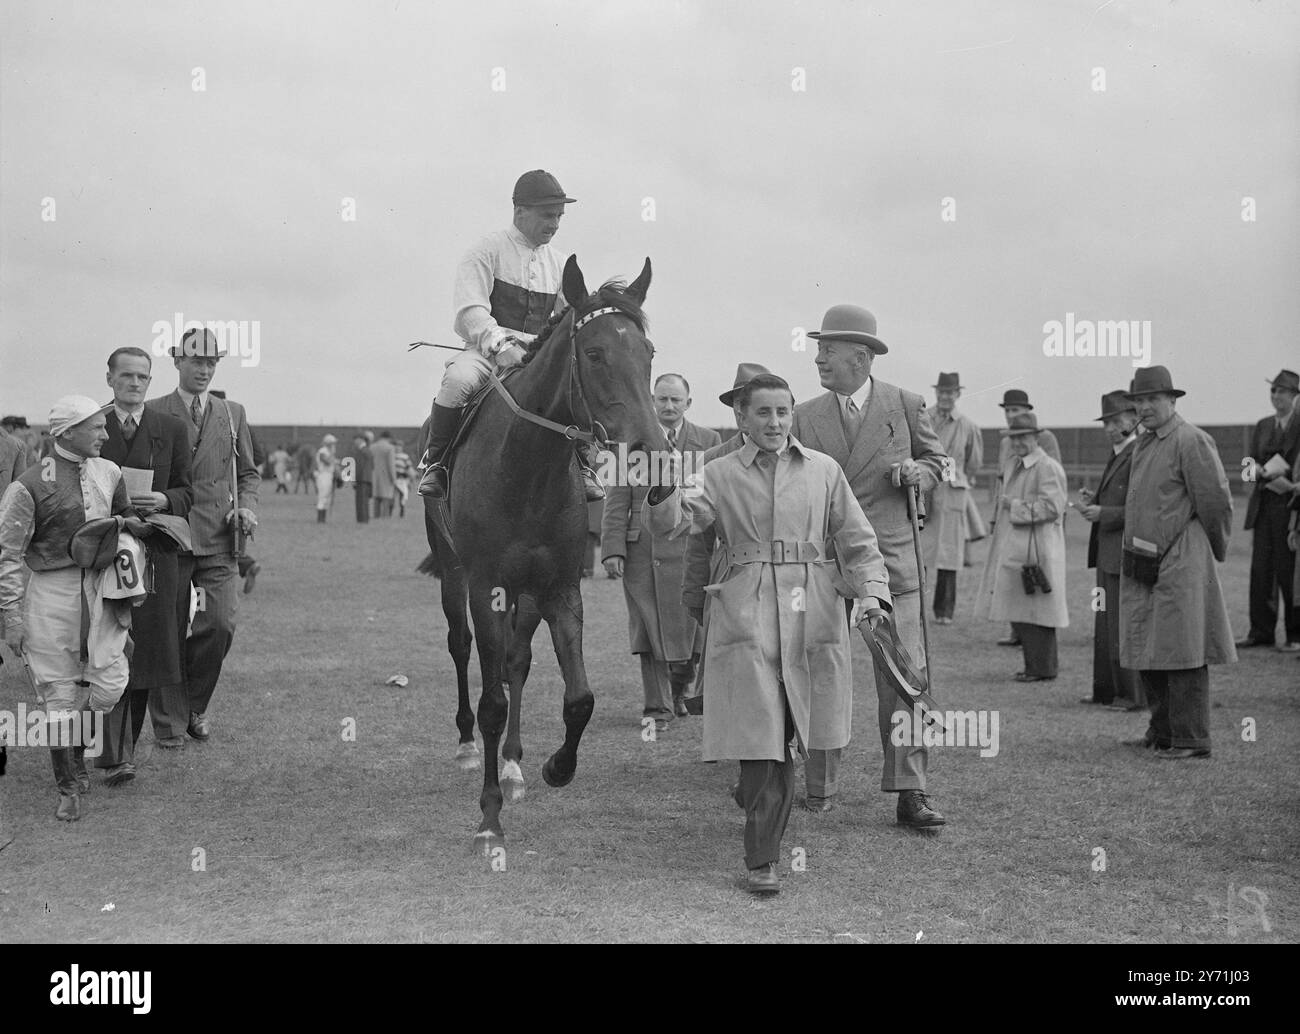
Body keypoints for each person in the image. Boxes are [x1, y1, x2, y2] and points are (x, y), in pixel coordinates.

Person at [643, 374, 891, 894]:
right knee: (763, 737)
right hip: (746, 611)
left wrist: (873, 594)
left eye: (783, 412)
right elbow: (673, 523)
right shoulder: (716, 473)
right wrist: (663, 487)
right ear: (741, 419)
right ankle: (763, 858)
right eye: (763, 413)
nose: (775, 423)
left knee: (800, 725)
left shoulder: (824, 471)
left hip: (814, 610)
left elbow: (858, 540)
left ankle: (768, 796)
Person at [789, 304, 948, 827]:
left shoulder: (905, 404)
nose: (818, 358)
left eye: (827, 350)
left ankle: (912, 789)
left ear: (860, 357)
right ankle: (815, 782)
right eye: (818, 349)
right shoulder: (803, 415)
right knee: (811, 671)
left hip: (892, 565)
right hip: (823, 565)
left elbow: (936, 461)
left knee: (905, 679)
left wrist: (916, 473)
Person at [416, 169, 604, 503]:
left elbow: (566, 320)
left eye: (559, 216)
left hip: (536, 359)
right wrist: (500, 345)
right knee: (457, 380)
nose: (555, 224)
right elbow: (469, 310)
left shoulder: (561, 264)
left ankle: (584, 465)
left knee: (575, 389)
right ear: (520, 212)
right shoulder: (485, 251)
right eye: (548, 215)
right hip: (486, 354)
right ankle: (437, 462)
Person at [0, 396, 146, 820]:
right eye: (96, 427)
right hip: (51, 592)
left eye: (104, 426)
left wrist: (134, 525)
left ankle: (75, 746)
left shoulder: (110, 471)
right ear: (67, 433)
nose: (105, 433)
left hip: (101, 588)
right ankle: (67, 787)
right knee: (58, 693)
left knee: (111, 684)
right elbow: (7, 555)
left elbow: (125, 516)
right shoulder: (26, 485)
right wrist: (11, 618)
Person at [146, 328, 259, 746]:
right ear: (177, 361)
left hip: (218, 540)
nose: (205, 369)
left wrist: (246, 504)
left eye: (212, 362)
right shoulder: (153, 410)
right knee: (169, 631)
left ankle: (193, 705)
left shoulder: (233, 413)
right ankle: (169, 726)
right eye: (197, 361)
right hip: (168, 537)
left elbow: (248, 473)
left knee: (219, 624)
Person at [1119, 366, 1236, 758]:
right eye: (1139, 400)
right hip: (1144, 560)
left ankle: (1190, 738)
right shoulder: (1145, 443)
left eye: (1153, 399)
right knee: (1150, 646)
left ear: (1172, 400)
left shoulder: (1191, 440)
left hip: (1182, 559)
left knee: (1184, 649)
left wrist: (1207, 552)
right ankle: (1163, 729)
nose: (1145, 407)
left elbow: (1216, 503)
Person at [94, 347, 193, 786]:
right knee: (104, 648)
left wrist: (167, 500)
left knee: (145, 653)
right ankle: (111, 753)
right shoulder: (91, 426)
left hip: (155, 556)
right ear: (111, 378)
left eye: (143, 377)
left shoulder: (170, 428)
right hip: (103, 554)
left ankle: (122, 752)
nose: (135, 384)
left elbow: (189, 491)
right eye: (127, 376)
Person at [601, 374, 720, 729]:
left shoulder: (709, 440)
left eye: (676, 400)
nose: (668, 406)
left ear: (688, 404)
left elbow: (714, 496)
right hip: (642, 551)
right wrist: (612, 549)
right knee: (648, 628)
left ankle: (681, 690)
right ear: (652, 401)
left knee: (693, 627)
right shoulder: (631, 440)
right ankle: (657, 708)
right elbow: (616, 496)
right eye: (662, 399)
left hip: (691, 547)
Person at [681, 362, 771, 717]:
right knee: (737, 664)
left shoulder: (799, 458)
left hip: (785, 581)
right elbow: (698, 537)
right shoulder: (712, 461)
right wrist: (694, 592)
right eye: (737, 403)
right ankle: (745, 750)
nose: (741, 411)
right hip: (731, 579)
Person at [975, 413, 1069, 681]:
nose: (1017, 442)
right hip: (1019, 546)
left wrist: (1014, 507)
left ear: (1036, 437)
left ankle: (1042, 668)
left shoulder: (1046, 467)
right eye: (1013, 437)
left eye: (1023, 437)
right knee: (1024, 609)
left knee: (1039, 610)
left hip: (1038, 548)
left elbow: (1052, 508)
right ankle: (1035, 667)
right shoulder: (1016, 464)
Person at [1077, 390, 1144, 710]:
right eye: (1106, 422)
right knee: (1105, 625)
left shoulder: (1138, 453)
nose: (1109, 428)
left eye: (1116, 421)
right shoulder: (1119, 452)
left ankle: (1130, 694)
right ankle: (1105, 690)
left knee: (1121, 626)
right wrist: (1096, 503)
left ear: (1134, 419)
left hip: (1121, 553)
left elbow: (1140, 508)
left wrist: (1103, 513)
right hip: (1107, 553)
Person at [992, 390, 1062, 647]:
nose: (1012, 415)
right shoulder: (1009, 450)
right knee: (1012, 579)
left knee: (1034, 583)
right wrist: (997, 516)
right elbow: (1003, 485)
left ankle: (1037, 650)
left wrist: (1018, 507)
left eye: (1016, 410)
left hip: (1035, 529)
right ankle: (1017, 633)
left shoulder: (1046, 451)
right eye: (1008, 411)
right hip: (1011, 525)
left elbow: (1053, 495)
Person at [1237, 369, 1300, 651]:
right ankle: (1260, 631)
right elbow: (1247, 466)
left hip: (1291, 508)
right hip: (1264, 507)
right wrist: (1256, 470)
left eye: (1282, 391)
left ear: (1295, 396)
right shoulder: (1262, 426)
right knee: (1261, 571)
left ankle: (1295, 635)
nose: (1276, 396)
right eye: (1273, 391)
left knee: (1290, 572)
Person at [925, 372, 983, 624]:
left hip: (953, 493)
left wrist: (955, 476)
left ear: (958, 394)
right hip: (926, 491)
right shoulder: (923, 418)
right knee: (920, 552)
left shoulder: (968, 426)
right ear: (936, 393)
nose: (945, 396)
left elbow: (974, 463)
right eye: (942, 392)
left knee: (950, 554)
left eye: (950, 392)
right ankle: (914, 610)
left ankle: (944, 612)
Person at [370, 431, 398, 518]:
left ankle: (376, 517)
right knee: (386, 498)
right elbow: (391, 465)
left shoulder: (372, 447)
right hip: (386, 477)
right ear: (388, 438)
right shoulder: (390, 448)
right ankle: (385, 518)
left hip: (374, 476)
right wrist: (394, 479)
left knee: (376, 498)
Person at [314, 434, 338, 521]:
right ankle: (320, 518)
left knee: (327, 497)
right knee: (323, 496)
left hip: (329, 474)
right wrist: (332, 455)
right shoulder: (322, 451)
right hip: (323, 474)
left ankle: (323, 516)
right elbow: (327, 462)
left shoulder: (328, 451)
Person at [351, 434, 373, 524]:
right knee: (364, 501)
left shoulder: (361, 451)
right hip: (366, 479)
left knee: (361, 501)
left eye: (355, 440)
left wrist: (355, 479)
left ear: (360, 440)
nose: (354, 442)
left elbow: (359, 467)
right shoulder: (367, 451)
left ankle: (362, 520)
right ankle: (364, 519)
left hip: (362, 479)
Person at [393, 440, 413, 519]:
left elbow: (409, 468)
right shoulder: (392, 455)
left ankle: (402, 512)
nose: (398, 448)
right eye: (396, 446)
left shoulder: (405, 457)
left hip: (402, 479)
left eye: (399, 446)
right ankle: (390, 512)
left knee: (402, 497)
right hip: (394, 479)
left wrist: (410, 479)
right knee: (392, 497)